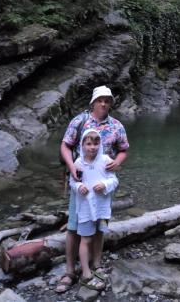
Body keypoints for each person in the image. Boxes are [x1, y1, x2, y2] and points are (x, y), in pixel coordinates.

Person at [56, 85, 129, 294]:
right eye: (100, 100)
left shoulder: (116, 126)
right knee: (73, 226)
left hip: (104, 185)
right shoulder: (80, 121)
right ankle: (70, 271)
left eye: (107, 100)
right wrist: (72, 168)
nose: (103, 104)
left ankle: (96, 264)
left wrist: (118, 162)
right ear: (93, 102)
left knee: (100, 226)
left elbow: (124, 149)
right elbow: (65, 145)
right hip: (82, 182)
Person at [70, 128, 118, 290]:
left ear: (100, 144)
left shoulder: (105, 160)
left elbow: (114, 180)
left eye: (96, 143)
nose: (92, 147)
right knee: (86, 239)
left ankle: (97, 264)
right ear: (82, 145)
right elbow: (73, 182)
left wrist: (105, 184)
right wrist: (79, 186)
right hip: (85, 208)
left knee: (99, 234)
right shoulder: (78, 163)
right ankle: (85, 272)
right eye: (88, 144)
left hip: (103, 209)